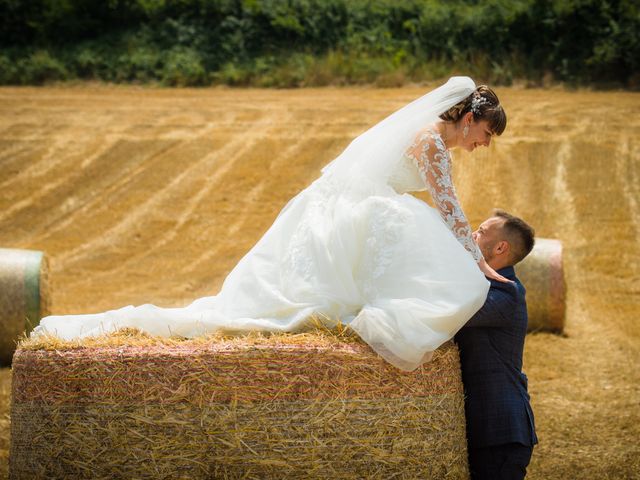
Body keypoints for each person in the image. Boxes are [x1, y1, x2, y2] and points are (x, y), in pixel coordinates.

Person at [33, 76, 508, 371]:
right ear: (468, 119)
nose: (484, 146)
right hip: (355, 207)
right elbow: (450, 210)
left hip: (354, 203)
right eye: (486, 134)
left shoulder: (433, 140)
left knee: (411, 225)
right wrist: (478, 263)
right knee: (427, 240)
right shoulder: (430, 141)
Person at [454, 210, 538, 480]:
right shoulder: (483, 286)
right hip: (483, 430)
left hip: (501, 431)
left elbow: (449, 314)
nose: (472, 235)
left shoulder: (506, 292)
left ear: (501, 247)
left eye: (480, 231)